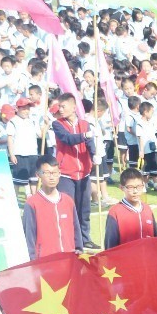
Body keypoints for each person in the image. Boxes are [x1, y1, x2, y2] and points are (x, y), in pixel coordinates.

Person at [50, 93, 97, 249]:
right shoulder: (58, 124)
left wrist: (94, 155)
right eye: (59, 107)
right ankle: (70, 240)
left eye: (63, 106)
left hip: (84, 172)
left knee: (84, 208)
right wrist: (85, 135)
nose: (60, 110)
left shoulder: (85, 124)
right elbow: (67, 139)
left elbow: (90, 142)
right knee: (68, 208)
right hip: (65, 173)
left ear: (73, 107)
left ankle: (85, 239)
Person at [22, 157, 83, 260]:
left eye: (55, 173)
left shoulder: (68, 201)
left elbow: (76, 228)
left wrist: (79, 249)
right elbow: (29, 236)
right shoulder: (32, 203)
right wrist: (32, 262)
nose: (52, 177)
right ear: (38, 175)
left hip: (69, 259)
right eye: (47, 173)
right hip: (45, 264)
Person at [104, 168, 157, 249]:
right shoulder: (115, 212)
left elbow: (155, 239)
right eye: (130, 187)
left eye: (139, 186)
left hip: (147, 259)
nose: (135, 191)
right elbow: (110, 246)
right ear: (122, 188)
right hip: (126, 260)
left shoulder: (147, 209)